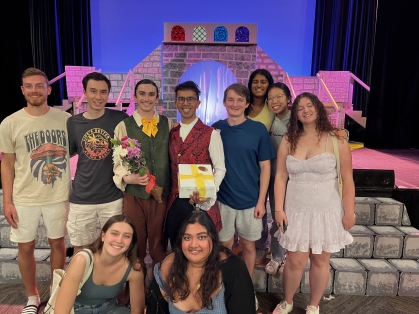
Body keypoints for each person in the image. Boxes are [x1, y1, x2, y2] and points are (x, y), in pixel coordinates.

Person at [272, 92, 355, 314]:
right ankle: (287, 301)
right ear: (295, 114)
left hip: (326, 210)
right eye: (300, 108)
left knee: (320, 260)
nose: (306, 110)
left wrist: (350, 212)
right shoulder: (289, 140)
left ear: (318, 108)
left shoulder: (337, 140)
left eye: (310, 106)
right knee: (294, 261)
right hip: (295, 210)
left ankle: (313, 305)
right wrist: (278, 209)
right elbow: (280, 176)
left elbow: (347, 179)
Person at [0, 67, 71, 313]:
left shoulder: (65, 120)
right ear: (22, 90)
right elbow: (7, 164)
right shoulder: (10, 123)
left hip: (57, 194)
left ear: (48, 89)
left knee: (57, 243)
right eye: (28, 86)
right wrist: (7, 201)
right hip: (24, 196)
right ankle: (32, 296)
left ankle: (56, 294)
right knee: (25, 247)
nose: (34, 90)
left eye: (39, 85)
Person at [212, 83, 275, 309]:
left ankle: (246, 288)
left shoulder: (257, 130)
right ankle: (223, 286)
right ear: (224, 102)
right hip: (223, 200)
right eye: (230, 99)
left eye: (240, 100)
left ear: (247, 103)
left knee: (249, 246)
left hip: (250, 201)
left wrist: (262, 201)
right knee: (224, 246)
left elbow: (266, 168)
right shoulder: (216, 129)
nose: (235, 104)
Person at [67, 72, 128, 254]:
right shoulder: (73, 122)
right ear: (84, 92)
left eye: (103, 92)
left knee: (115, 247)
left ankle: (109, 282)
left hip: (112, 196)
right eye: (93, 91)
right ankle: (81, 282)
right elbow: (69, 153)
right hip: (82, 197)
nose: (98, 97)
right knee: (81, 247)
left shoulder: (119, 118)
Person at [148, 210, 256, 314]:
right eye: (187, 238)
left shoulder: (234, 269)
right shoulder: (169, 266)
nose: (194, 245)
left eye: (201, 237)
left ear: (213, 239)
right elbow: (154, 308)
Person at [113, 79, 172, 268]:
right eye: (142, 94)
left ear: (157, 98)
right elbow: (118, 159)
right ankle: (135, 290)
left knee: (158, 245)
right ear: (135, 96)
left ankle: (158, 290)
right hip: (134, 195)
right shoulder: (124, 126)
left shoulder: (169, 124)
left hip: (160, 195)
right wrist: (126, 177)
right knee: (134, 243)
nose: (147, 98)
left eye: (151, 94)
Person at [165, 80, 226, 247]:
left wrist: (210, 193)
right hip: (175, 202)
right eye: (181, 99)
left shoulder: (211, 133)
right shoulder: (171, 133)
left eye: (190, 99)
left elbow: (220, 168)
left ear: (198, 102)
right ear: (176, 102)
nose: (186, 103)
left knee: (201, 249)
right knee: (177, 247)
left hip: (201, 201)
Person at [55, 214, 145, 313]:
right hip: (76, 309)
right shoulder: (82, 259)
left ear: (131, 242)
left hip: (109, 309)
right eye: (114, 234)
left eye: (126, 236)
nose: (119, 240)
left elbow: (137, 310)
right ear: (103, 236)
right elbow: (61, 311)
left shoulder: (134, 267)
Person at [245, 69, 275, 265]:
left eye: (263, 82)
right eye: (255, 81)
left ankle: (265, 247)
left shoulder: (272, 107)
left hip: (269, 162)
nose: (259, 85)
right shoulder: (244, 106)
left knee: (265, 204)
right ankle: (249, 241)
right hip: (247, 164)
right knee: (253, 203)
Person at [264, 82, 291, 275]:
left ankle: (290, 256)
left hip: (296, 179)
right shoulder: (269, 121)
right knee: (277, 216)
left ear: (288, 98)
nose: (274, 101)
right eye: (270, 98)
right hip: (275, 177)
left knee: (293, 218)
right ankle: (276, 256)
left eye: (279, 96)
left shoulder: (297, 120)